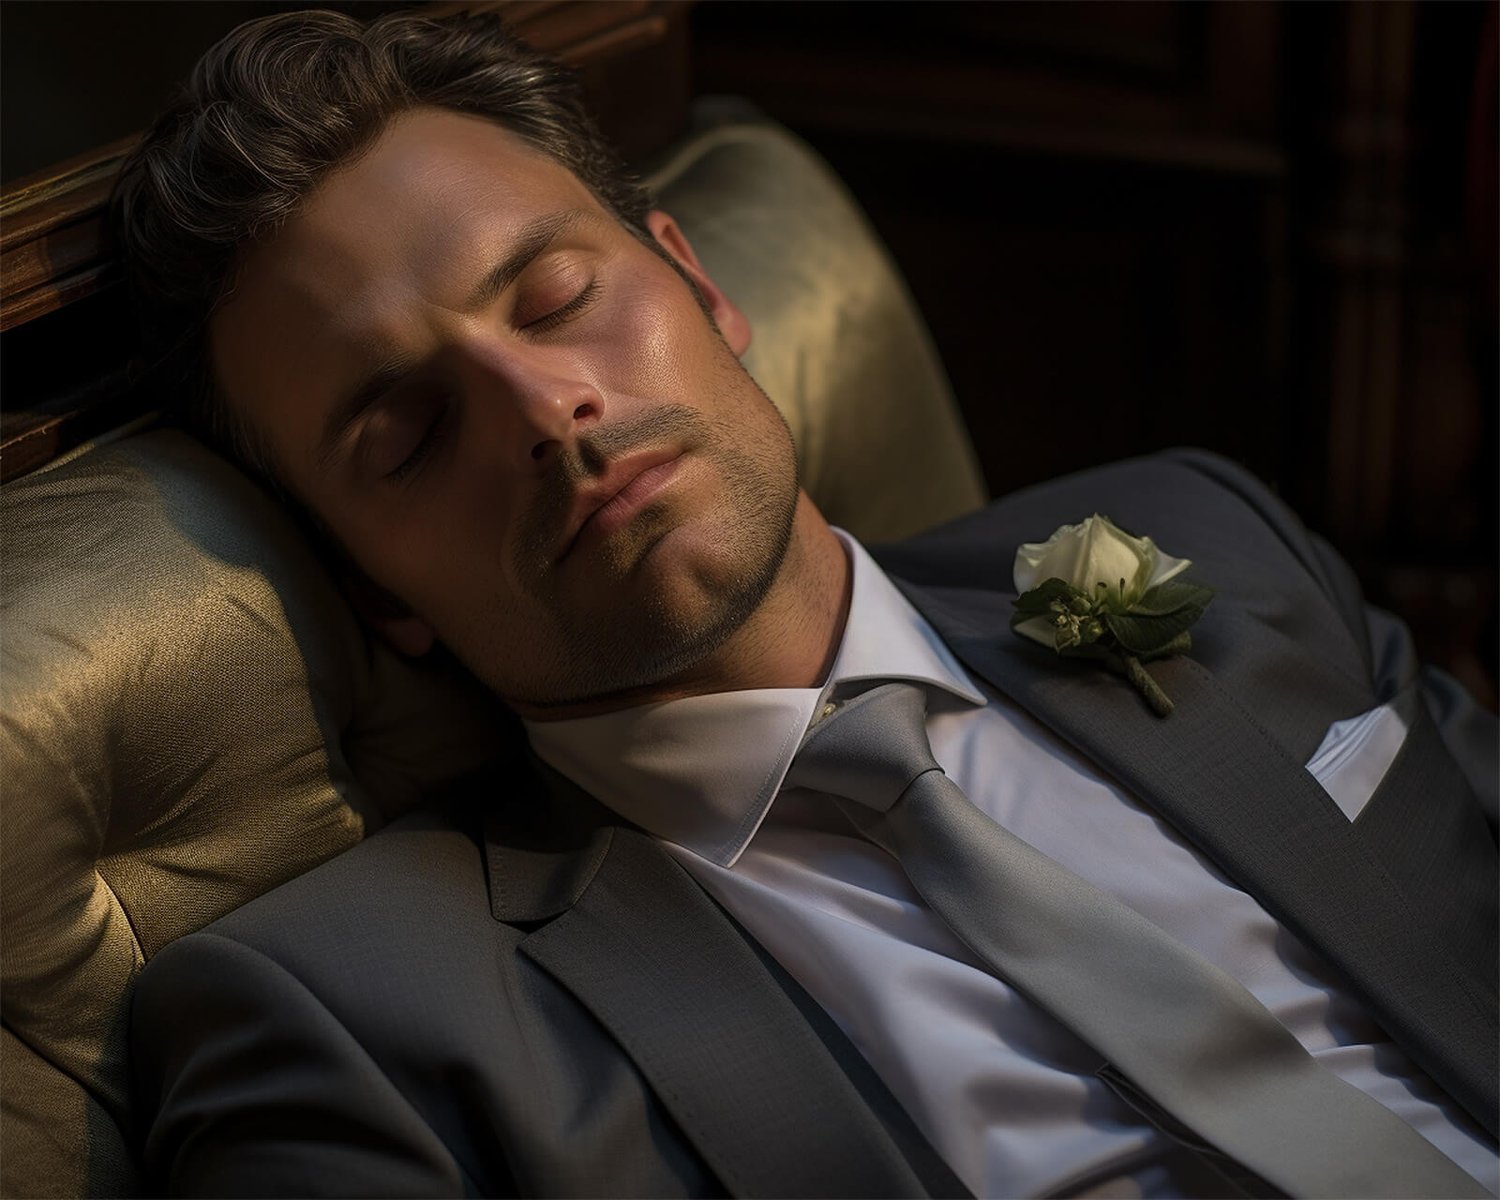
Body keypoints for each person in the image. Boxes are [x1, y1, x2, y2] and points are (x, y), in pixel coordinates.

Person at [114, 9, 1498, 1198]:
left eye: (552, 299)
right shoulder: (355, 1026)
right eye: (409, 433)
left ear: (703, 288)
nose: (547, 413)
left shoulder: (1211, 539)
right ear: (373, 586)